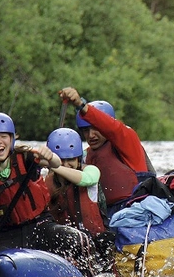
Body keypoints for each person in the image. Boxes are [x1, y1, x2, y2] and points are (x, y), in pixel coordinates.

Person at [0, 113, 97, 277]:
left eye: (3, 136)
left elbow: (53, 163)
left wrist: (50, 155)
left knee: (79, 240)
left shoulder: (27, 159)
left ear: (12, 139)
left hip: (40, 226)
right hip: (8, 236)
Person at [58, 87, 153, 218]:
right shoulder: (84, 156)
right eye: (85, 130)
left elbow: (113, 127)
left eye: (96, 128)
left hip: (135, 209)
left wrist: (81, 105)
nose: (91, 135)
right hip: (106, 214)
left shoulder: (128, 141)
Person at [45, 127, 118, 277]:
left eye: (70, 159)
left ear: (79, 158)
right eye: (61, 160)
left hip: (97, 245)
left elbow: (86, 180)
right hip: (65, 245)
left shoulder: (91, 171)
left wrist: (56, 166)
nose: (66, 164)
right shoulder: (46, 181)